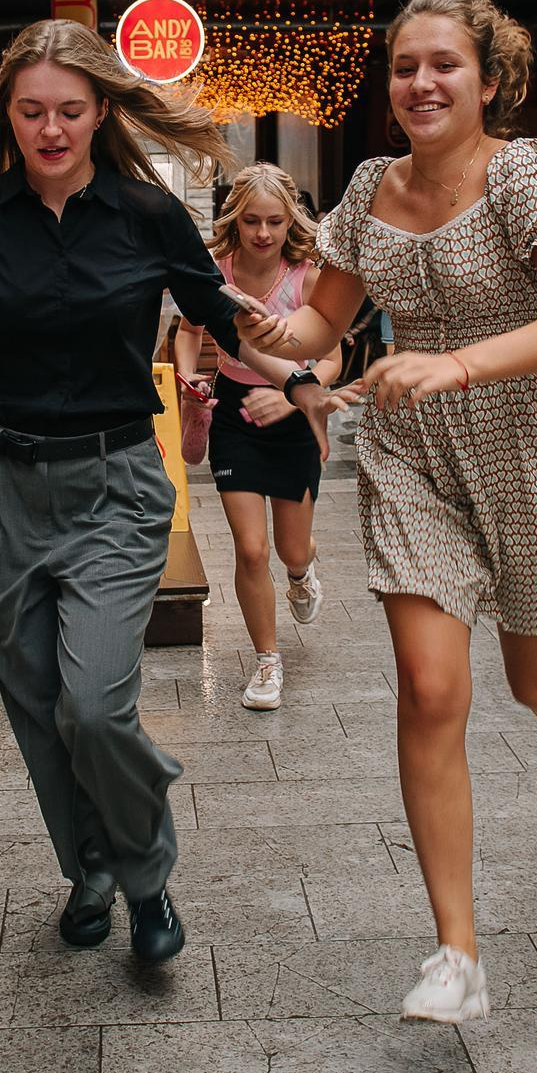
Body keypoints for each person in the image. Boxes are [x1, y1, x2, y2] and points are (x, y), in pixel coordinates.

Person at [0, 20, 321, 966]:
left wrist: (308, 374)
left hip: (116, 481)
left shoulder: (148, 215)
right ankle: (90, 870)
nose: (50, 129)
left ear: (102, 112)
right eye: (31, 111)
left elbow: (223, 320)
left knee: (97, 704)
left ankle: (147, 876)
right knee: (37, 702)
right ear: (8, 116)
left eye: (70, 110)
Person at [240, 0, 537, 1025]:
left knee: (531, 676)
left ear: (487, 79)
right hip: (413, 456)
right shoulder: (369, 185)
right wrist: (257, 330)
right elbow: (323, 322)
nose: (420, 82)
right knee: (428, 685)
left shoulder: (521, 177)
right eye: (405, 66)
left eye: (443, 65)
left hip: (533, 447)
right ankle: (456, 952)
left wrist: (454, 364)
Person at [172, 164, 344, 711]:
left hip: (292, 422)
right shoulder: (215, 272)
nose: (263, 233)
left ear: (289, 221)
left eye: (273, 221)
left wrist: (300, 389)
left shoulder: (307, 277)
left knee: (291, 547)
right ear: (236, 220)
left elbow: (335, 354)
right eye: (251, 221)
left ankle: (301, 571)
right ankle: (268, 661)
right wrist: (189, 374)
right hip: (233, 417)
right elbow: (187, 330)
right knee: (250, 548)